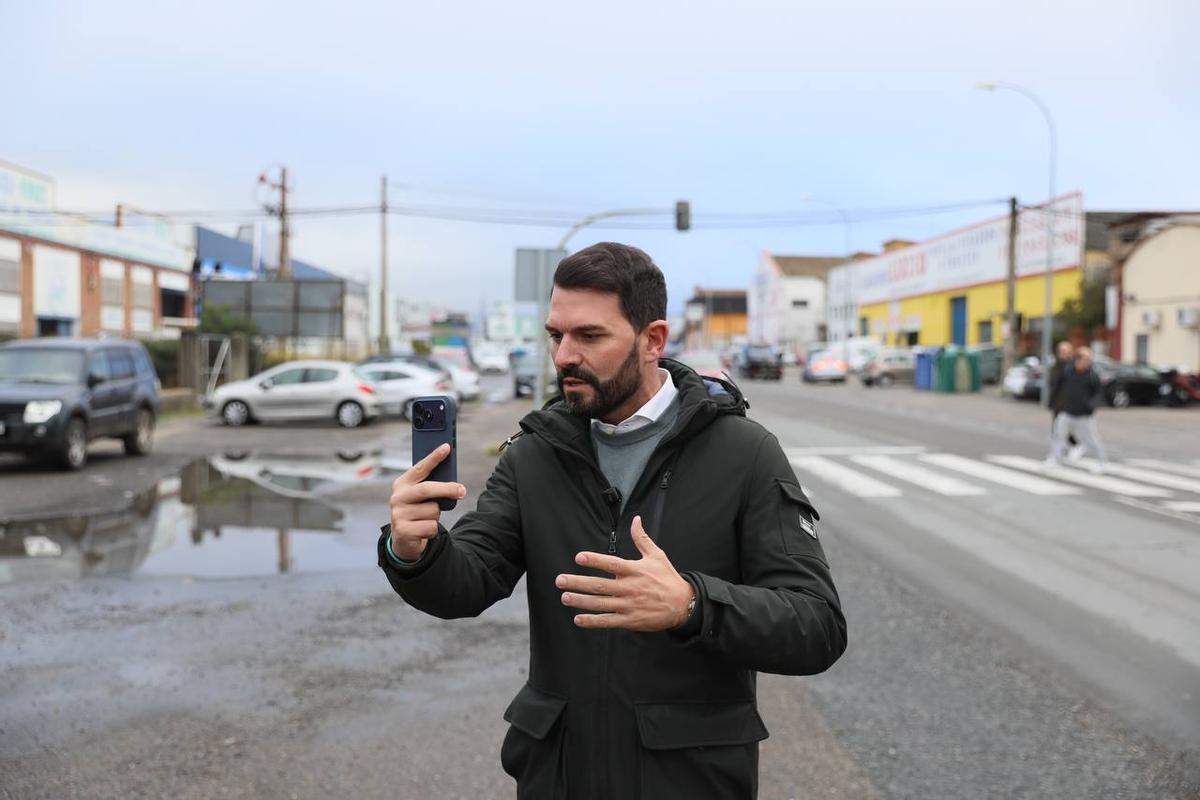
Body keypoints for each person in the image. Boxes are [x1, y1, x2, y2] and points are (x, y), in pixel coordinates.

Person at [379, 242, 847, 799]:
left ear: (652, 340)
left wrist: (692, 605)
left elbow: (816, 626)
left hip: (689, 783)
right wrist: (414, 550)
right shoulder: (536, 453)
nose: (563, 357)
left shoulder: (742, 453)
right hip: (560, 777)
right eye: (557, 335)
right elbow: (468, 582)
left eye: (589, 336)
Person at [1045, 346, 1108, 473]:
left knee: (1091, 440)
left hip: (1084, 415)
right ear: (1078, 360)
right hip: (1066, 411)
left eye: (1090, 359)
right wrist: (1052, 403)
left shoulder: (1092, 375)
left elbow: (1099, 393)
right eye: (1086, 359)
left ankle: (1102, 462)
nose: (1089, 362)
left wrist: (1091, 406)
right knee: (1058, 435)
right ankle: (1055, 459)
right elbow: (1057, 387)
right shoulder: (1068, 372)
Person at [1047, 340, 1081, 460]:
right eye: (1061, 351)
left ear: (1071, 353)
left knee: (1066, 428)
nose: (1063, 354)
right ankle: (1058, 452)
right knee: (1057, 429)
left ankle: (1075, 447)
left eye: (1066, 351)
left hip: (1069, 403)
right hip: (1057, 403)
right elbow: (1053, 384)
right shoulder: (1056, 366)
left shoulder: (1072, 367)